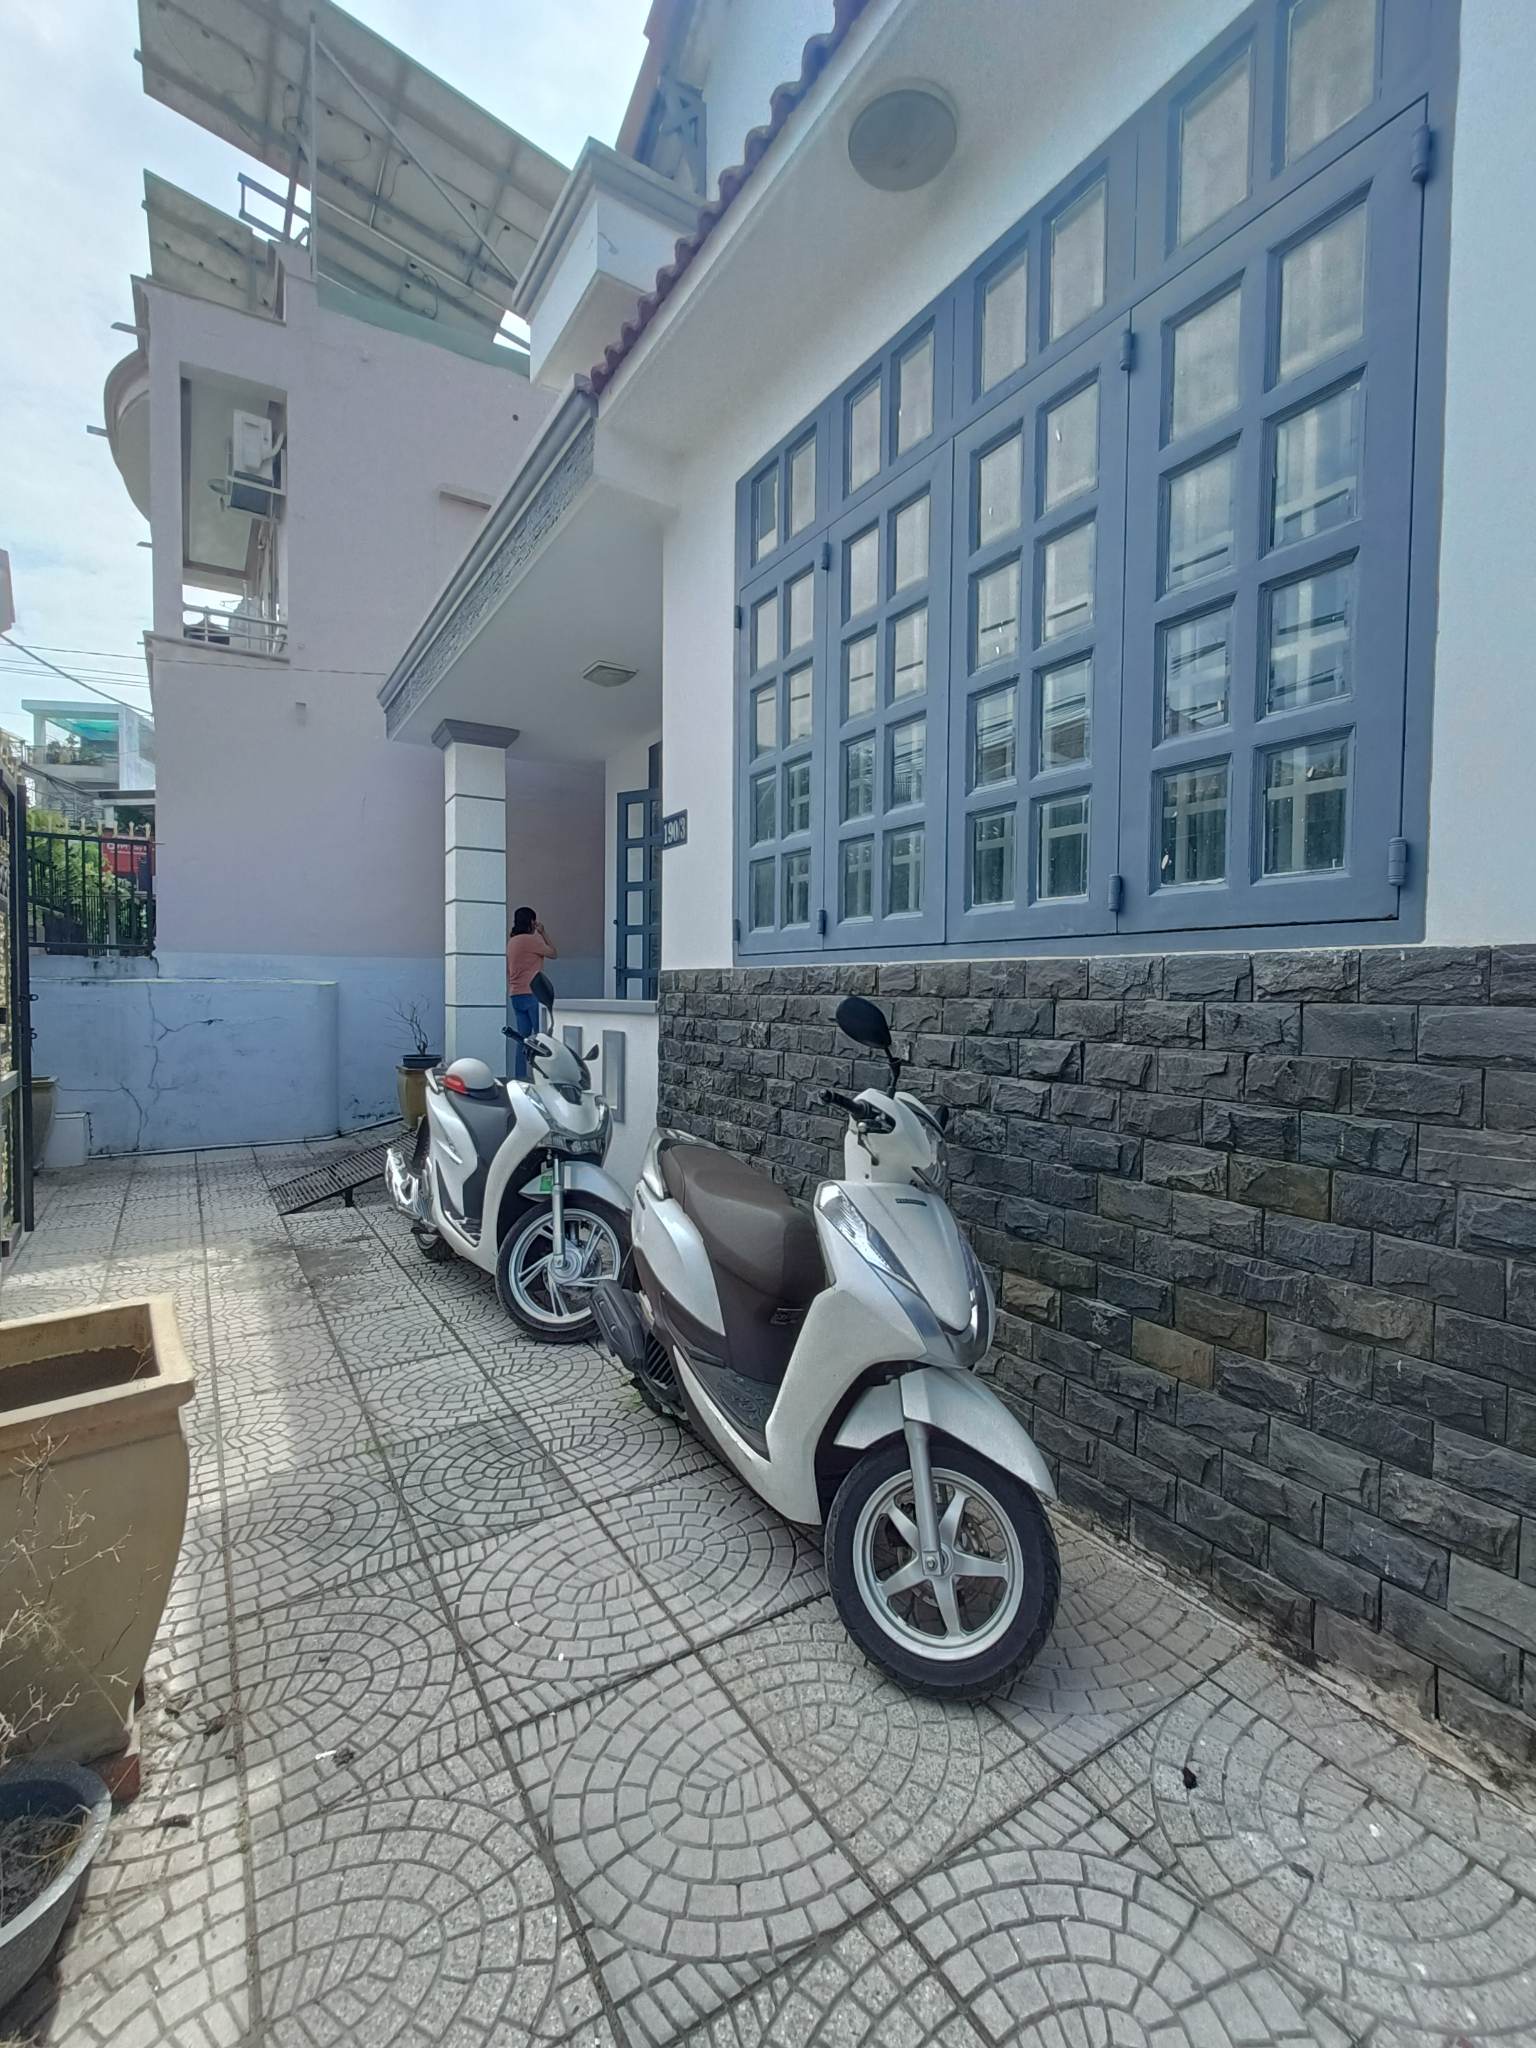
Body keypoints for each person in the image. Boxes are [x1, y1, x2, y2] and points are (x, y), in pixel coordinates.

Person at [505, 906, 556, 1078]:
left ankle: (520, 1076)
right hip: (532, 993)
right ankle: (542, 1076)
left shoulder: (512, 942)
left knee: (522, 1039)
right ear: (532, 922)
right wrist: (543, 933)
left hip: (516, 994)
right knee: (541, 1038)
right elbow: (553, 953)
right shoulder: (532, 940)